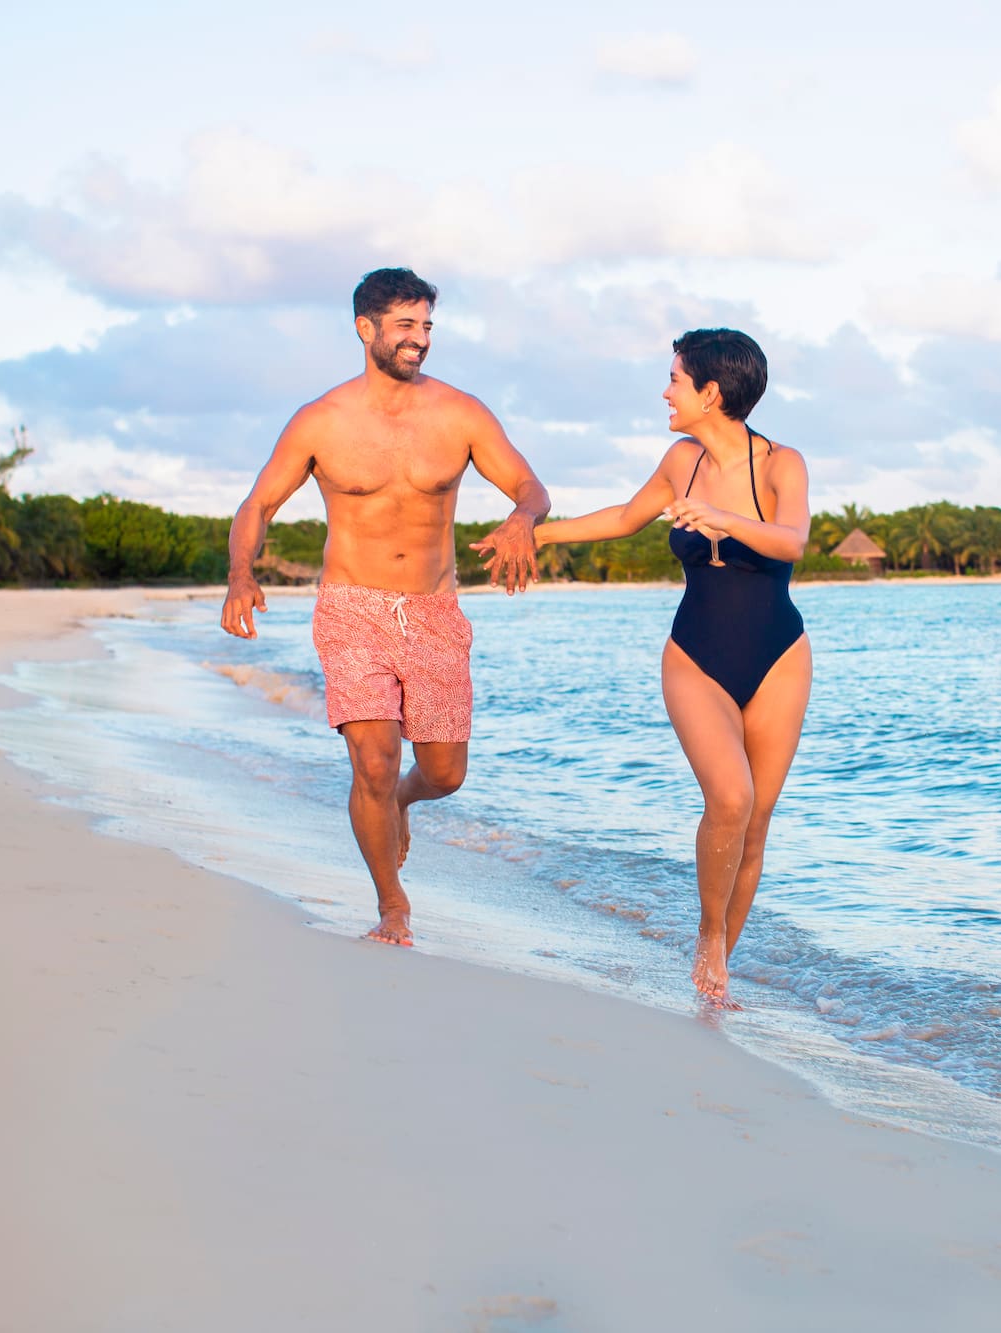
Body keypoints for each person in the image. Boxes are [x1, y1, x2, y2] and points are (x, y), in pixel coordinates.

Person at [220, 267, 549, 947]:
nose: (419, 339)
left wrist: (522, 518)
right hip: (351, 608)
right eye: (405, 325)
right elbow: (259, 502)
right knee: (371, 759)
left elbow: (529, 484)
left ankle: (404, 799)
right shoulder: (321, 421)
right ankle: (392, 904)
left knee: (444, 773)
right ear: (365, 328)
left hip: (433, 609)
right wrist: (239, 573)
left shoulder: (461, 413)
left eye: (426, 325)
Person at [534, 329, 811, 1007]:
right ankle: (708, 935)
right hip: (696, 656)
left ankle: (718, 979)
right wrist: (533, 533)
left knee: (757, 823)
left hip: (779, 656)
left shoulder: (780, 463)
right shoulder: (679, 460)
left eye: (676, 379)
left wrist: (723, 517)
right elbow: (625, 518)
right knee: (731, 799)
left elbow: (791, 539)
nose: (667, 390)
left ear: (711, 392)